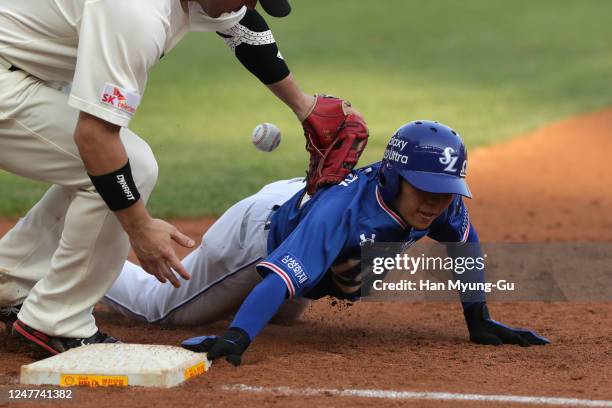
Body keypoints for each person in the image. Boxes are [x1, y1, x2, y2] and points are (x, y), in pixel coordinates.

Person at [0, 0, 368, 356]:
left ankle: (10, 281)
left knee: (111, 167)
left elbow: (242, 25)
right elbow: (94, 136)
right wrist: (139, 226)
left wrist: (304, 106)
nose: (250, 3)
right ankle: (56, 320)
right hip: (9, 77)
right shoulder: (136, 13)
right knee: (132, 165)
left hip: (24, 70)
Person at [101, 120, 549, 366]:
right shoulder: (343, 211)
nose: (436, 203)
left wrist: (479, 318)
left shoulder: (442, 197)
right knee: (164, 310)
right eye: (425, 191)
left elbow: (465, 244)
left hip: (300, 203)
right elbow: (281, 275)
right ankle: (58, 260)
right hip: (258, 235)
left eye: (445, 191)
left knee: (297, 303)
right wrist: (236, 339)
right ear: (394, 178)